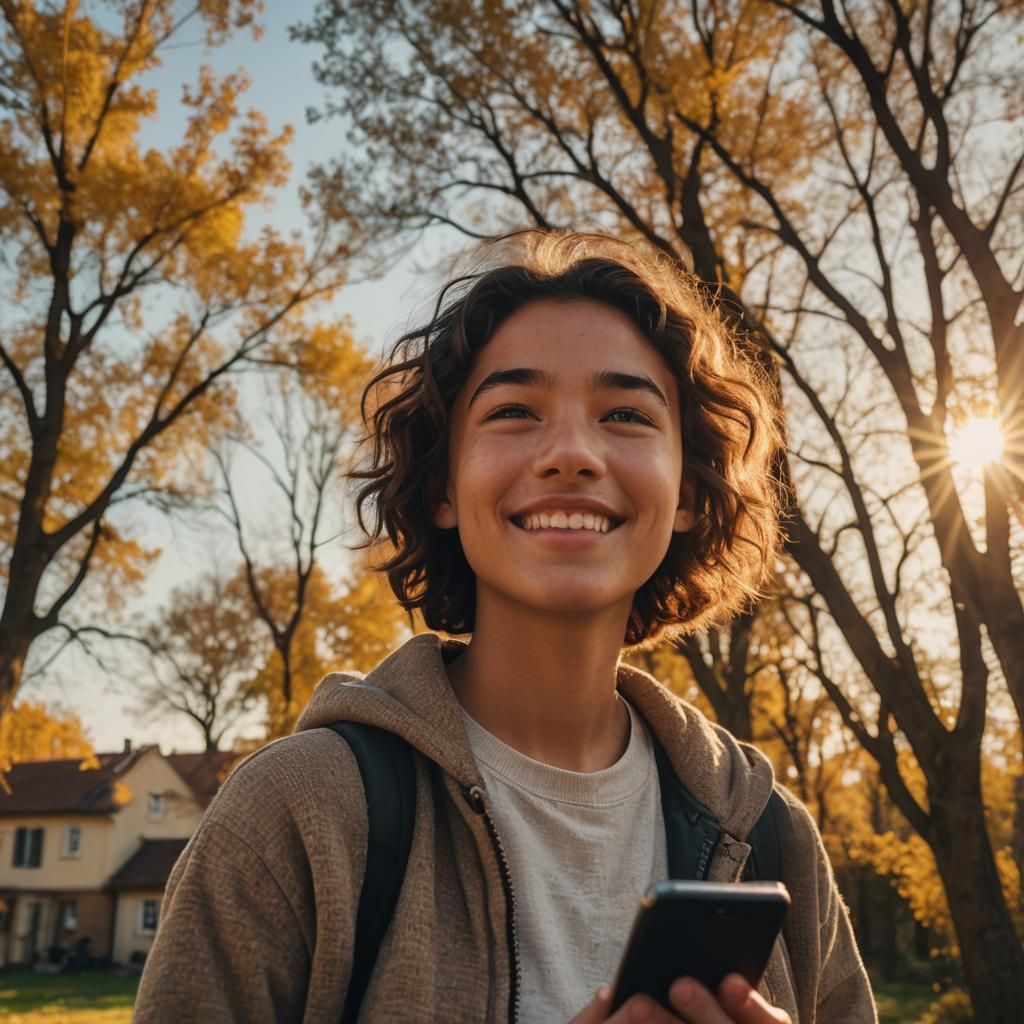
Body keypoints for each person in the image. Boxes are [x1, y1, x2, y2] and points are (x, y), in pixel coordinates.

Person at [134, 232, 876, 1023]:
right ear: (443, 487)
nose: (571, 454)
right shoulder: (297, 813)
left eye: (625, 413)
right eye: (514, 411)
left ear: (688, 492)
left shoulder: (772, 838)